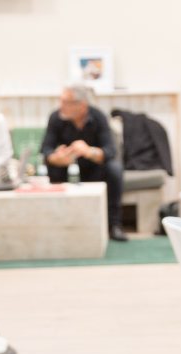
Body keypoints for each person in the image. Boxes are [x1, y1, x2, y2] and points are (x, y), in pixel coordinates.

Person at [40, 85, 127, 242]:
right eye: (61, 101)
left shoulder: (98, 117)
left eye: (66, 102)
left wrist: (89, 151)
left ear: (82, 105)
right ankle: (58, 222)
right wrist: (57, 158)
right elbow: (46, 150)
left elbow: (110, 151)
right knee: (52, 167)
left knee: (114, 169)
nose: (61, 106)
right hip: (65, 169)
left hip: (93, 168)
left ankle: (114, 225)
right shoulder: (55, 117)